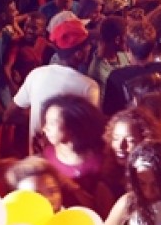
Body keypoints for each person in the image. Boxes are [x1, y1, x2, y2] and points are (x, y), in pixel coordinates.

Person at [10, 18, 100, 152]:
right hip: (68, 162)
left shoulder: (37, 74)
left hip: (37, 160)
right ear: (78, 54)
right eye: (88, 45)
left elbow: (9, 115)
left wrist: (36, 120)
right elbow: (91, 133)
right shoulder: (89, 87)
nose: (90, 48)